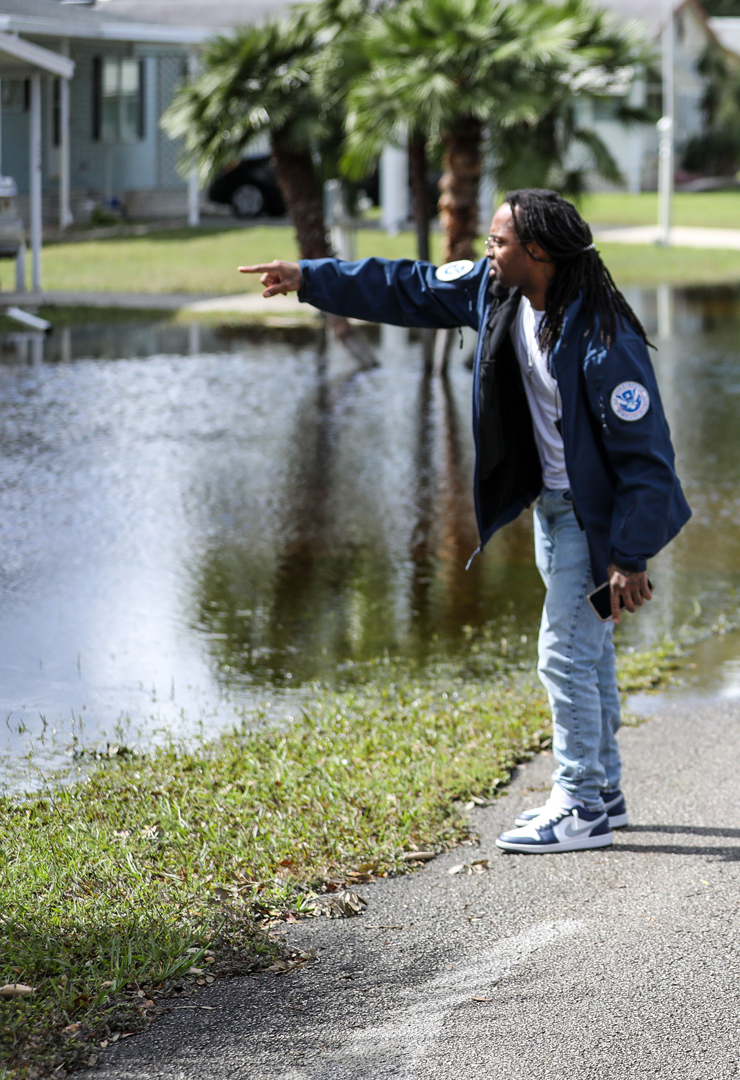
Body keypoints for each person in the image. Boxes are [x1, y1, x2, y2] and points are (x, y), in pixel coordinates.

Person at [239, 189, 690, 852]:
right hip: (553, 506)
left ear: (538, 252)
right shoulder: (498, 292)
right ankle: (605, 792)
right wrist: (311, 277)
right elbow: (410, 286)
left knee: (565, 655)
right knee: (588, 654)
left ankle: (581, 806)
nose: (487, 251)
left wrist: (629, 556)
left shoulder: (605, 338)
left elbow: (648, 460)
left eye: (499, 242)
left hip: (595, 521)